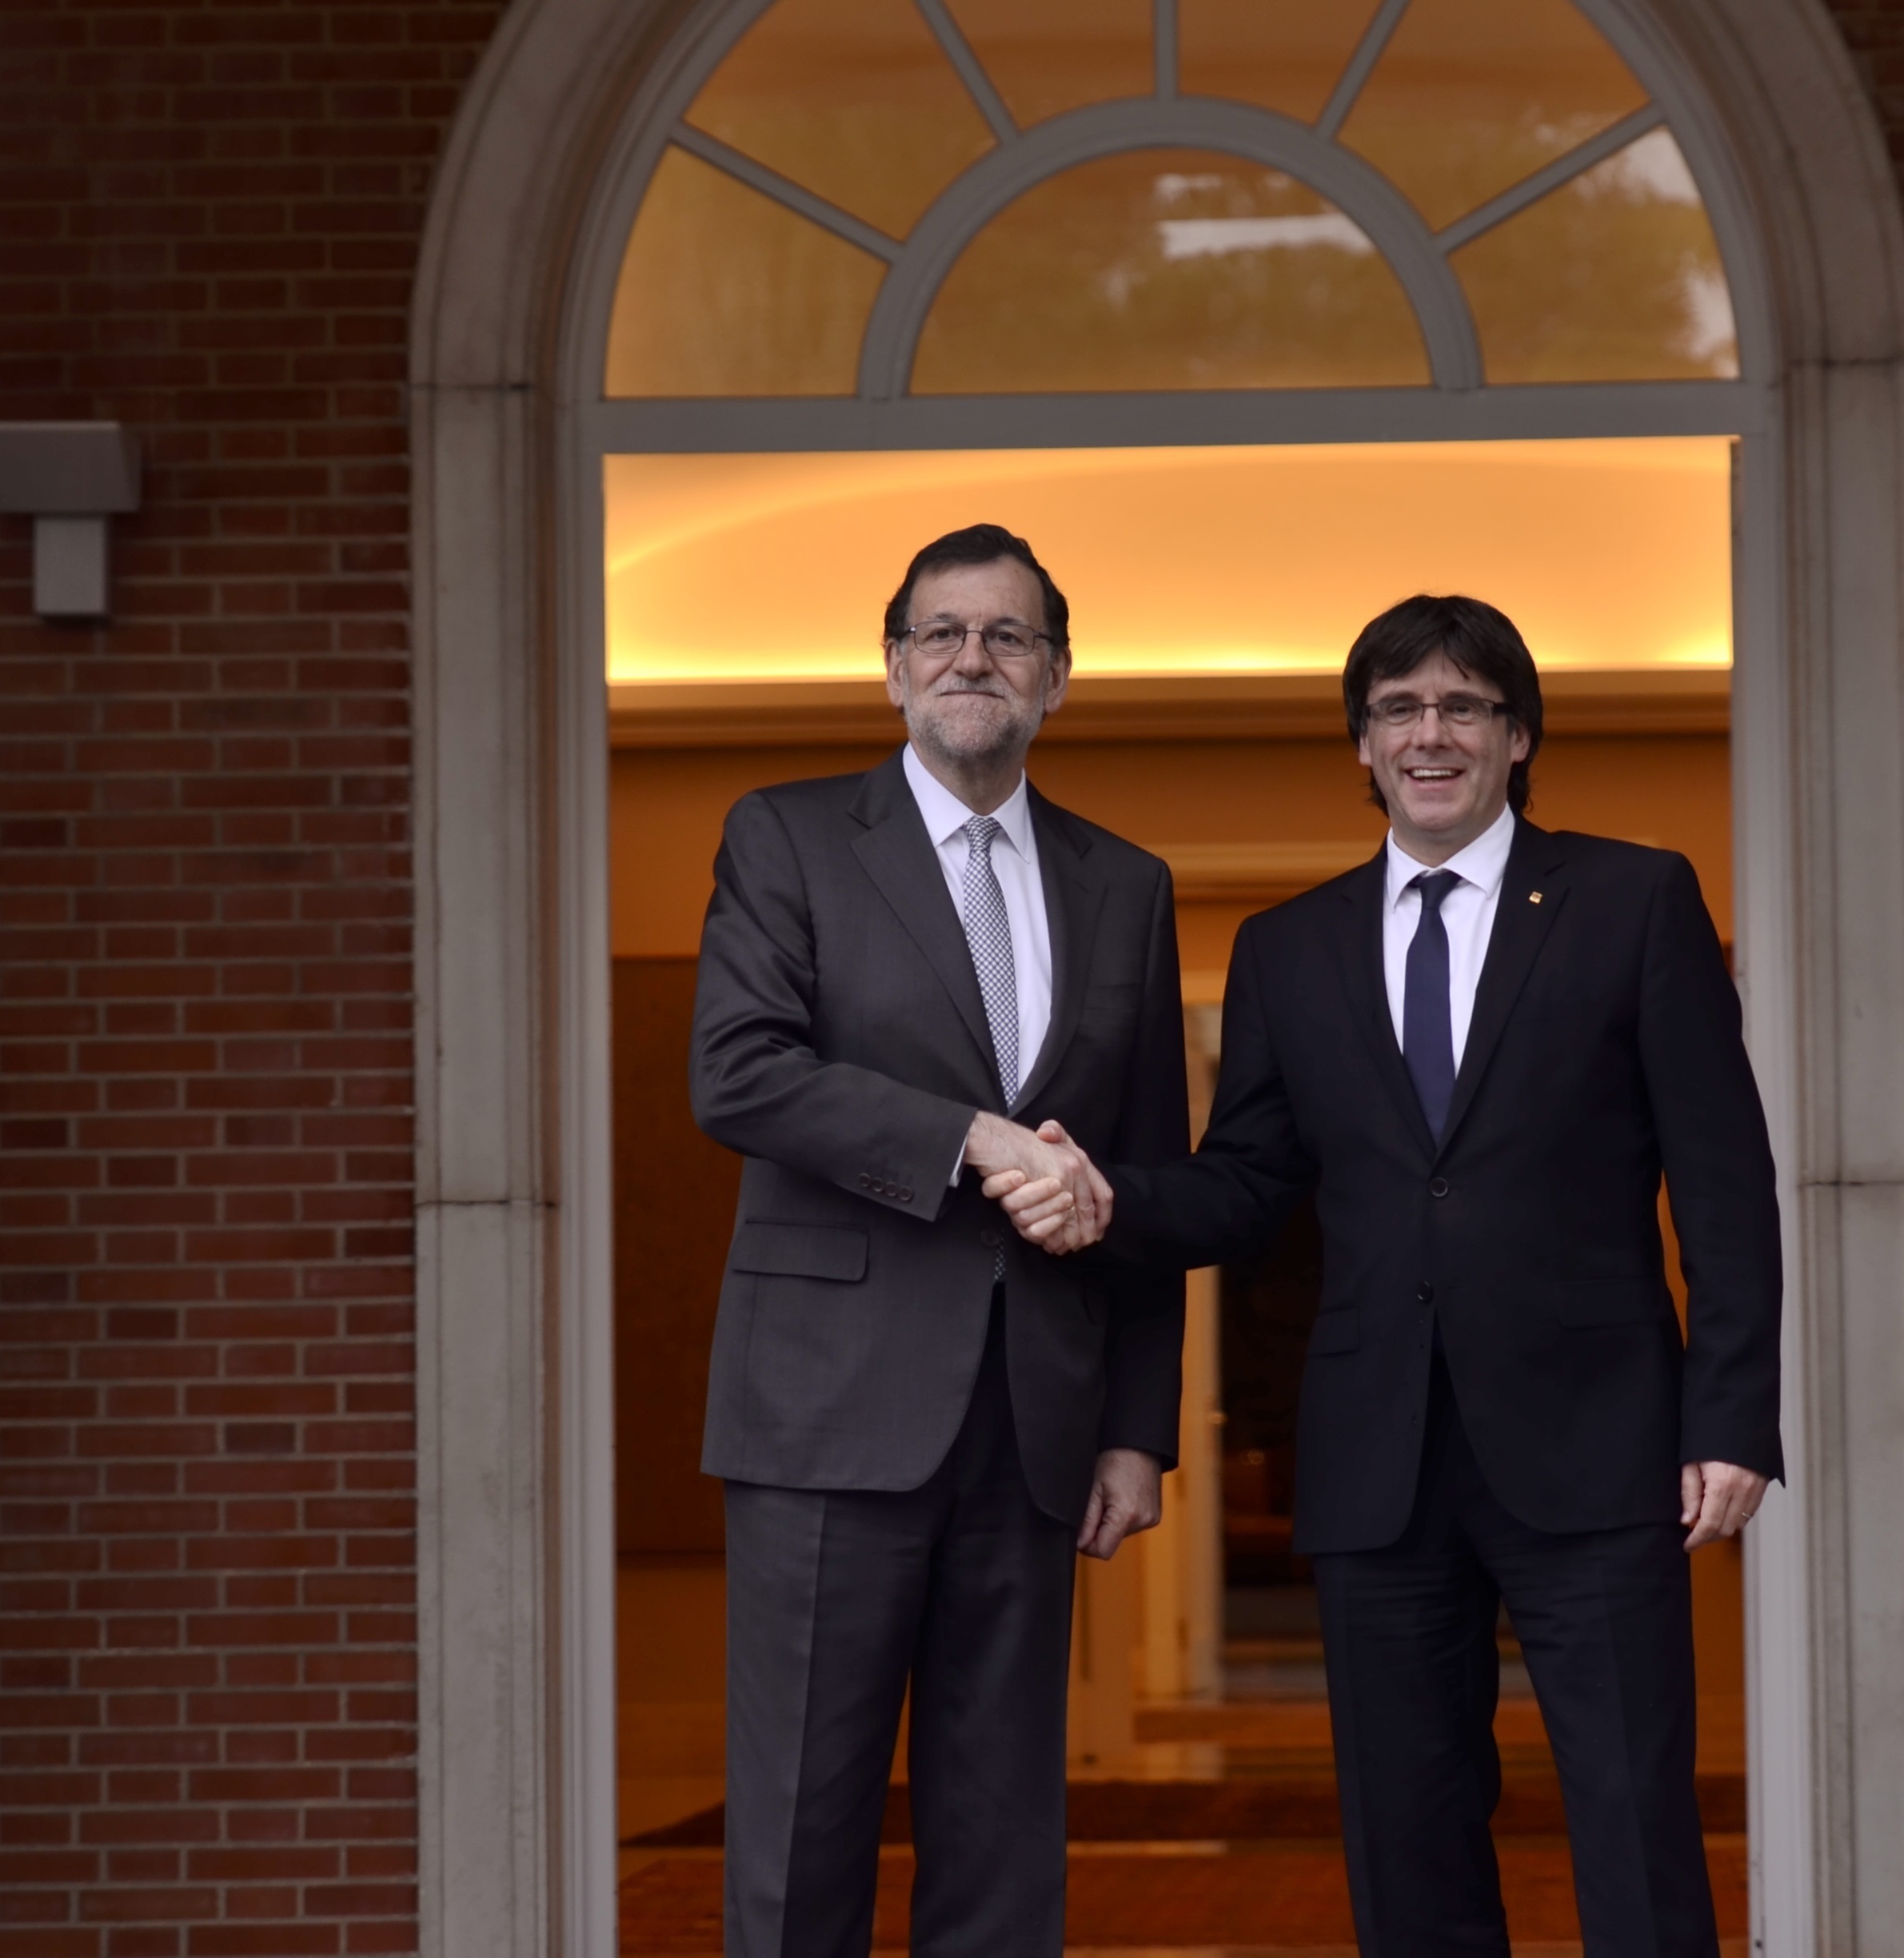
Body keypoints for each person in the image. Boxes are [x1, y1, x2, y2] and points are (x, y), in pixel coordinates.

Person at [992, 593, 1782, 1958]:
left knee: (1634, 1823)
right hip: (1378, 1458)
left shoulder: (1634, 901)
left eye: (1464, 706)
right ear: (1361, 743)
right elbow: (1248, 1182)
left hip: (1599, 1442)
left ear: (1518, 736)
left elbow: (1724, 1182)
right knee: (1406, 1840)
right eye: (1399, 709)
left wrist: (1731, 1414)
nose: (1431, 734)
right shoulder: (1288, 948)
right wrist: (1104, 1195)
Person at [688, 522, 1181, 1958]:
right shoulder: (786, 836)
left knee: (1003, 1848)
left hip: (1034, 1429)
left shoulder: (1125, 884)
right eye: (943, 633)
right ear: (894, 666)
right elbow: (738, 1073)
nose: (975, 658)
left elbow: (1146, 1175)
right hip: (824, 1419)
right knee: (801, 1840)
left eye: (1009, 635)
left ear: (1057, 676)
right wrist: (977, 1139)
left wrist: (1137, 1429)